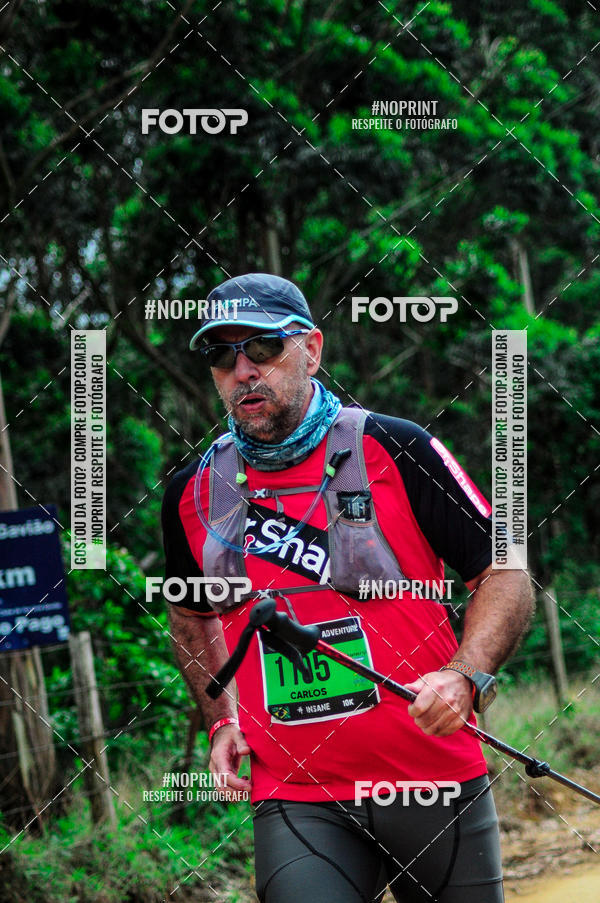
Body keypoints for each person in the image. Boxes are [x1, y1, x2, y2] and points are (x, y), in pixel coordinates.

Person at [161, 272, 533, 903]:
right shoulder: (192, 490)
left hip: (432, 780)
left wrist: (466, 674)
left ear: (311, 348)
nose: (243, 370)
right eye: (222, 356)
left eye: (262, 348)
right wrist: (219, 721)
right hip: (298, 795)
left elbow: (505, 572)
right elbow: (192, 614)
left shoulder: (399, 448)